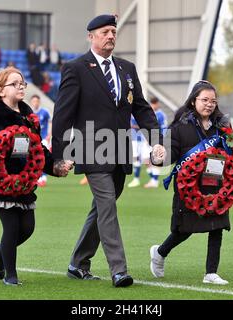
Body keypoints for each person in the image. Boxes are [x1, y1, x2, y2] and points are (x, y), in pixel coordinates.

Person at [51, 14, 165, 288]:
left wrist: (156, 140)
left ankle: (77, 264)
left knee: (101, 209)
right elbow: (63, 114)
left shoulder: (127, 68)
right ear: (91, 36)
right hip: (90, 149)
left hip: (121, 151)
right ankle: (119, 269)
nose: (111, 36)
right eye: (105, 31)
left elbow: (141, 107)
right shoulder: (75, 68)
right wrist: (58, 155)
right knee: (107, 206)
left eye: (113, 31)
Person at [0, 67, 72, 286]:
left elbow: (38, 150)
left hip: (24, 183)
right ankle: (11, 275)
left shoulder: (29, 116)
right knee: (11, 228)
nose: (20, 86)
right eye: (15, 84)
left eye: (22, 83)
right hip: (0, 183)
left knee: (27, 228)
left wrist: (56, 166)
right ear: (1, 90)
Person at [149, 80, 231, 285]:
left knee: (217, 226)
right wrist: (159, 157)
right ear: (194, 101)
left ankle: (211, 273)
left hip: (214, 184)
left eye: (213, 101)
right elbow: (169, 155)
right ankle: (159, 253)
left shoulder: (221, 126)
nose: (209, 104)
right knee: (184, 230)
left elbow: (227, 152)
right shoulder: (180, 127)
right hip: (189, 188)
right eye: (204, 100)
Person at [29, 94, 51, 187]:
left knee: (43, 157)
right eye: (33, 101)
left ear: (39, 102)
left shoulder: (45, 112)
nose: (35, 103)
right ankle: (38, 177)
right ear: (31, 102)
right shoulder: (29, 113)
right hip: (34, 139)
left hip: (44, 138)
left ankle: (43, 177)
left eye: (37, 101)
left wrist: (49, 135)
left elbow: (50, 122)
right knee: (35, 158)